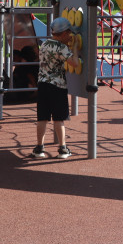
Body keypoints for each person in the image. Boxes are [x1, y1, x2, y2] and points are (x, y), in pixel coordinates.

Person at [30, 17, 79, 159]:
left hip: (43, 84)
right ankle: (63, 149)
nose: (70, 36)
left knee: (42, 118)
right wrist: (75, 48)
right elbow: (75, 63)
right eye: (69, 33)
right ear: (63, 33)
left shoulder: (44, 44)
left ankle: (39, 148)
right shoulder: (62, 48)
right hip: (57, 86)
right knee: (59, 118)